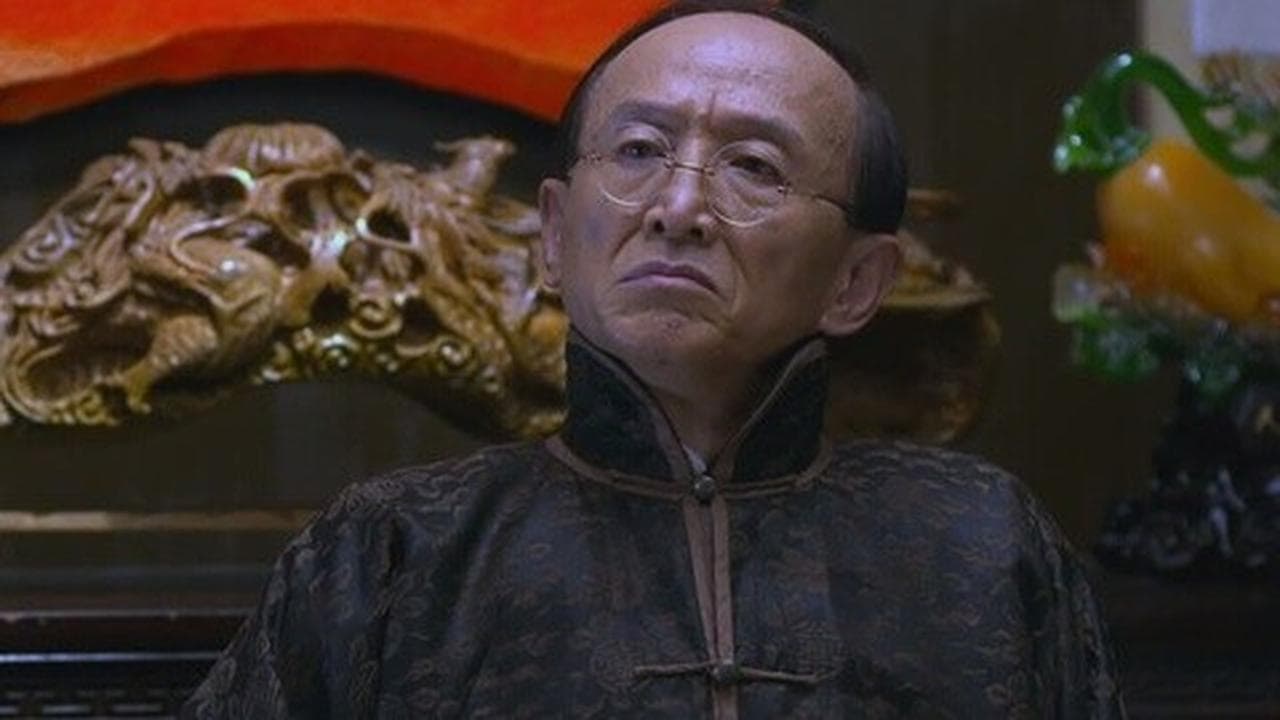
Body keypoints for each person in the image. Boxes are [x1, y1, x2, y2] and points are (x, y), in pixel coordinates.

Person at [184, 1, 1125, 717]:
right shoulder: (393, 551)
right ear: (555, 235)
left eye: (754, 167)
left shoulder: (981, 547)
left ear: (855, 282)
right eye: (638, 150)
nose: (678, 209)